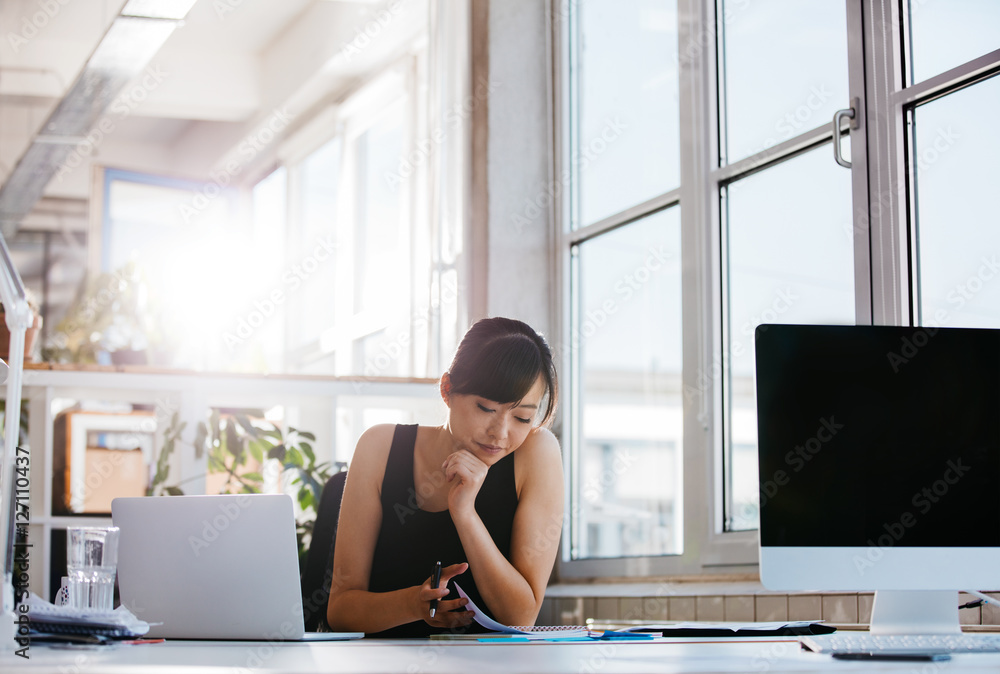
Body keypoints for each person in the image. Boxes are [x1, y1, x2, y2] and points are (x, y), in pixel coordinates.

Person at [326, 317, 563, 637]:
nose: (501, 434)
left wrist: (465, 514)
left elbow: (520, 617)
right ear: (447, 389)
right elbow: (341, 610)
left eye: (522, 417)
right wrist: (412, 605)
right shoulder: (380, 446)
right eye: (486, 408)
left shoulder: (535, 452)